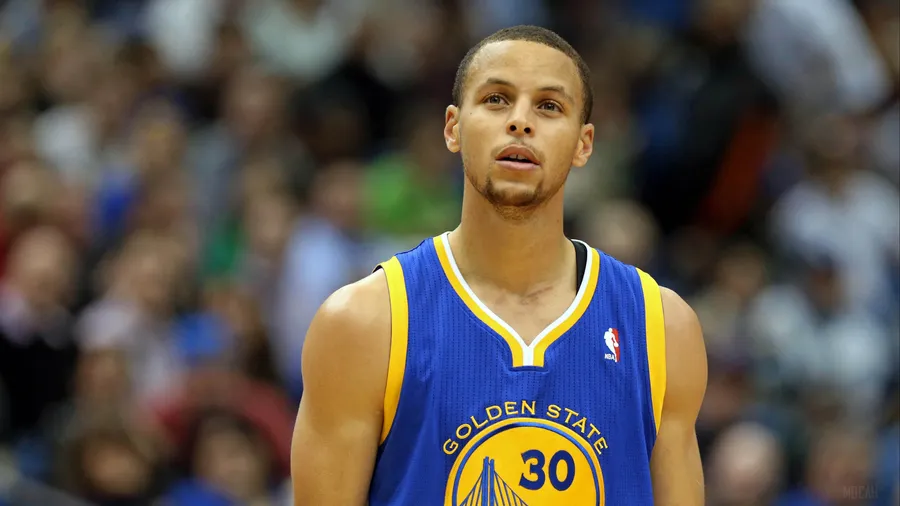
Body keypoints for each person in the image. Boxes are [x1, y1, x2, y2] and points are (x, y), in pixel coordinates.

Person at [290, 25, 708, 505]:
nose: (520, 122)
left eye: (549, 106)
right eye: (496, 99)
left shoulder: (661, 327)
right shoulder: (364, 323)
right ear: (453, 127)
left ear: (584, 143)